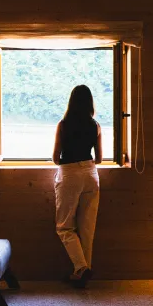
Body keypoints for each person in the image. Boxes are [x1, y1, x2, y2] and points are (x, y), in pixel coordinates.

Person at [53, 85, 102, 288]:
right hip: (91, 175)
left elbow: (56, 158)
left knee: (64, 226)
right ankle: (82, 272)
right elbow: (99, 158)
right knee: (87, 227)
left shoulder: (63, 125)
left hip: (70, 174)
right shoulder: (96, 125)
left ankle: (81, 268)